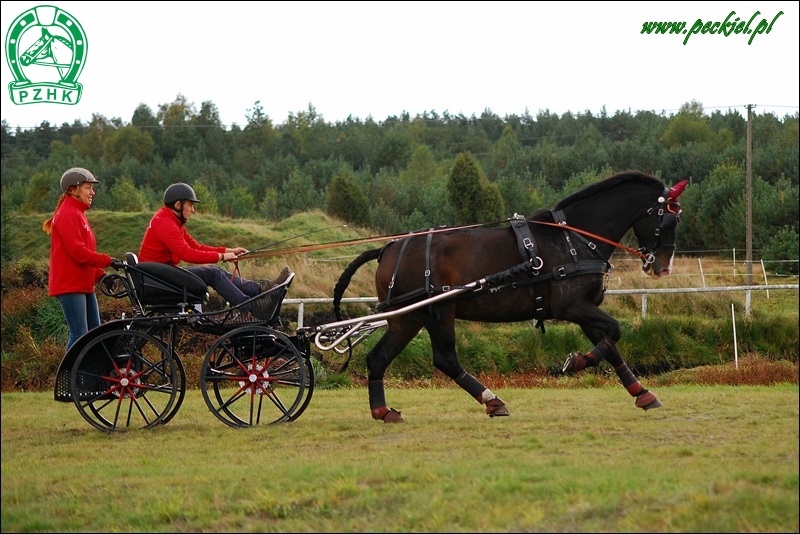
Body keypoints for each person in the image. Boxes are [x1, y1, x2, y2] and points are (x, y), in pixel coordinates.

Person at [137, 182, 290, 308]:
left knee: (215, 270)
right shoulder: (166, 224)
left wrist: (227, 251)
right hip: (159, 281)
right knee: (213, 273)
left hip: (162, 276)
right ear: (178, 204)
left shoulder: (170, 221)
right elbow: (187, 254)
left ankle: (262, 289)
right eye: (190, 205)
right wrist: (222, 256)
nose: (193, 210)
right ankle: (251, 306)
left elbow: (196, 247)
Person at [43, 167, 120, 350]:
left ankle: (89, 377)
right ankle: (69, 377)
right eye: (88, 187)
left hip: (83, 284)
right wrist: (107, 260)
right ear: (73, 189)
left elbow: (84, 254)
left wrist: (100, 275)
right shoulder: (68, 214)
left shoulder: (78, 213)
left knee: (94, 334)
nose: (92, 192)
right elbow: (78, 252)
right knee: (80, 335)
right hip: (70, 285)